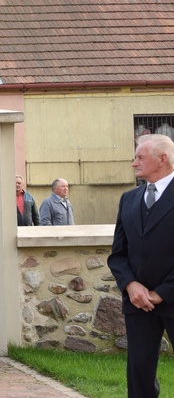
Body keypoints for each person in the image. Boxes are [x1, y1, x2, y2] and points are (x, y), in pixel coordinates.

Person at [108, 134, 174, 397]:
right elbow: (118, 254)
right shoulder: (128, 199)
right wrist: (131, 285)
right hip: (138, 302)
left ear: (163, 159)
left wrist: (162, 292)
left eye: (140, 157)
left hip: (171, 297)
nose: (133, 163)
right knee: (139, 371)